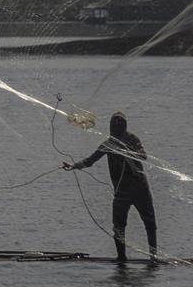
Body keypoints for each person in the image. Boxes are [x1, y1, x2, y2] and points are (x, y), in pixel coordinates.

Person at [62, 112, 157, 262]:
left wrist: (126, 151)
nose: (114, 127)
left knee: (150, 223)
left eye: (117, 125)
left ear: (123, 127)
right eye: (113, 125)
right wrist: (74, 166)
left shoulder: (132, 139)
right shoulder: (108, 144)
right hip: (121, 191)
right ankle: (121, 257)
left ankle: (154, 256)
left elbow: (143, 156)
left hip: (140, 188)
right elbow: (90, 160)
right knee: (118, 226)